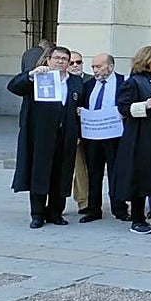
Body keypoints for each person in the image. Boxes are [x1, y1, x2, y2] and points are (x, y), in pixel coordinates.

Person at [8, 45, 83, 228]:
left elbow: (80, 104)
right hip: (40, 135)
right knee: (39, 174)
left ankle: (56, 212)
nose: (60, 62)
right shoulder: (39, 77)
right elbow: (14, 87)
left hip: (66, 135)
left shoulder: (75, 81)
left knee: (62, 173)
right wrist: (31, 74)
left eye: (64, 59)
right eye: (56, 58)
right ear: (48, 59)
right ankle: (37, 214)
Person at [115, 46, 151, 235]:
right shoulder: (133, 82)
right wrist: (144, 106)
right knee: (140, 175)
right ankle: (137, 218)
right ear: (148, 60)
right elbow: (123, 108)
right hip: (141, 135)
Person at [80, 53, 126, 222]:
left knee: (116, 172)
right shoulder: (89, 84)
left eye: (98, 67)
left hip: (115, 136)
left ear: (110, 67)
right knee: (94, 173)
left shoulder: (123, 82)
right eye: (93, 67)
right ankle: (93, 210)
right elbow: (84, 104)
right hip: (92, 136)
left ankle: (119, 208)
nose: (95, 70)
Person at [67, 51, 91, 215]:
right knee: (73, 168)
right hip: (69, 131)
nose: (75, 65)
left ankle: (85, 202)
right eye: (72, 62)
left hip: (91, 130)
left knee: (84, 168)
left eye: (79, 62)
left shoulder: (91, 79)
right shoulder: (61, 80)